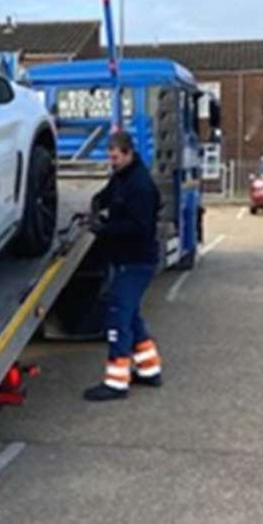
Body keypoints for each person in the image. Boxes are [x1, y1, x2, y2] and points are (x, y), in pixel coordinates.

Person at [83, 130, 163, 402]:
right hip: (125, 258)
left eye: (116, 158)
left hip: (136, 260)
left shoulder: (140, 186)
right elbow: (109, 195)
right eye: (110, 157)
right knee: (131, 314)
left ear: (128, 153)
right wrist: (96, 203)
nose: (112, 162)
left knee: (118, 313)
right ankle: (149, 368)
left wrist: (104, 228)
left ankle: (116, 382)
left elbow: (139, 228)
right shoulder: (122, 177)